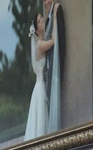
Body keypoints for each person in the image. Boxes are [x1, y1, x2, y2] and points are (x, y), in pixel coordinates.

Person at [24, 8, 56, 141]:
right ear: (36, 30)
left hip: (40, 86)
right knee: (41, 116)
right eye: (39, 21)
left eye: (42, 19)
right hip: (40, 87)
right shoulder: (40, 45)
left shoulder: (40, 44)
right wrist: (55, 16)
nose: (42, 21)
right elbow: (54, 41)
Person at [42, 0, 64, 133]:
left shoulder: (57, 11)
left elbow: (59, 41)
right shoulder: (48, 21)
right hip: (48, 72)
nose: (46, 3)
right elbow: (53, 41)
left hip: (54, 69)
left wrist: (55, 15)